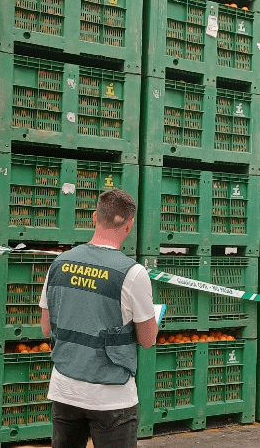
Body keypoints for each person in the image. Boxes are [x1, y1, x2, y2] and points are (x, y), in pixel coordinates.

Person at [40, 189, 158, 448]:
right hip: (111, 397)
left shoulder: (59, 263)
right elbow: (148, 340)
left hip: (65, 389)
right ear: (129, 225)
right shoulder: (133, 273)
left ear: (94, 217)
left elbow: (46, 328)